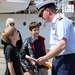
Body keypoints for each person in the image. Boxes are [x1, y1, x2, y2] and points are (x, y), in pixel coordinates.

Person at [36, 0, 75, 75]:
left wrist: (45, 58)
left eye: (41, 14)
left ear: (48, 11)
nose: (42, 18)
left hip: (65, 61)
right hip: (59, 60)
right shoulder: (55, 23)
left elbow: (63, 44)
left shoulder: (61, 22)